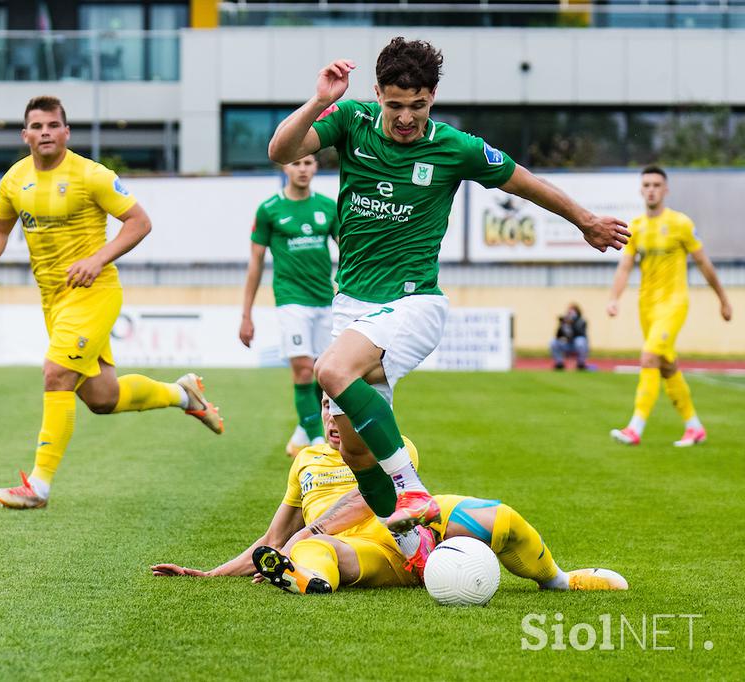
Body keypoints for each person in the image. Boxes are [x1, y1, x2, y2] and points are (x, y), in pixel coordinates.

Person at [266, 38, 631, 533]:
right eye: (394, 105)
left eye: (416, 106)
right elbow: (280, 150)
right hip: (352, 307)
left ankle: (411, 488)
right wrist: (318, 101)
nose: (405, 118)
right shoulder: (350, 120)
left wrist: (585, 220)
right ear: (377, 94)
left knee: (329, 369)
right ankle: (412, 542)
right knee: (353, 451)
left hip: (414, 303)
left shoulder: (455, 147)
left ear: (432, 97)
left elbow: (523, 181)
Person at [0, 95, 223, 509]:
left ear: (66, 132)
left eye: (53, 125)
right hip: (53, 300)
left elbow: (140, 222)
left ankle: (39, 486)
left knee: (55, 374)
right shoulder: (15, 179)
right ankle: (184, 395)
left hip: (94, 293)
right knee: (102, 399)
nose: (45, 132)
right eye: (37, 126)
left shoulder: (92, 175)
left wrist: (97, 258)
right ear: (25, 135)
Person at [151, 397, 628, 595]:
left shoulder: (394, 449)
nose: (336, 423)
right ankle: (304, 579)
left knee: (499, 517)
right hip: (367, 551)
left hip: (413, 528)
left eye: (344, 412)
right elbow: (274, 537)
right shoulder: (305, 462)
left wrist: (309, 530)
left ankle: (561, 581)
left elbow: (370, 498)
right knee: (320, 551)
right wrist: (210, 574)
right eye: (327, 410)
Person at [607, 165, 733, 447]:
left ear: (665, 190)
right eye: (647, 185)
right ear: (641, 190)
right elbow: (625, 267)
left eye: (656, 185)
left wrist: (723, 300)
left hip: (674, 304)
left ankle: (635, 427)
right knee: (666, 366)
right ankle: (694, 427)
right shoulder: (636, 227)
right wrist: (614, 299)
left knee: (649, 356)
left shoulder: (681, 224)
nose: (651, 189)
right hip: (647, 307)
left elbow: (704, 264)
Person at [239, 154, 339, 457]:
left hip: (325, 299)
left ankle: (300, 435)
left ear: (315, 167)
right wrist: (247, 314)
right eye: (297, 163)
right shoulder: (269, 210)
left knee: (326, 375)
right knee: (304, 370)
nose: (303, 169)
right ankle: (317, 444)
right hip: (290, 300)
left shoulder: (327, 207)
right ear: (286, 167)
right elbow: (255, 263)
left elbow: (347, 251)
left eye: (308, 163)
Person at [551, 303, 589, 370]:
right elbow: (557, 336)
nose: (570, 313)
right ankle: (559, 363)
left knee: (580, 341)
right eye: (569, 311)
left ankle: (581, 364)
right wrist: (562, 325)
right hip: (568, 344)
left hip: (576, 345)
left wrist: (572, 323)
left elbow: (580, 333)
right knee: (554, 342)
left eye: (573, 311)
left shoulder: (581, 321)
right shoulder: (565, 321)